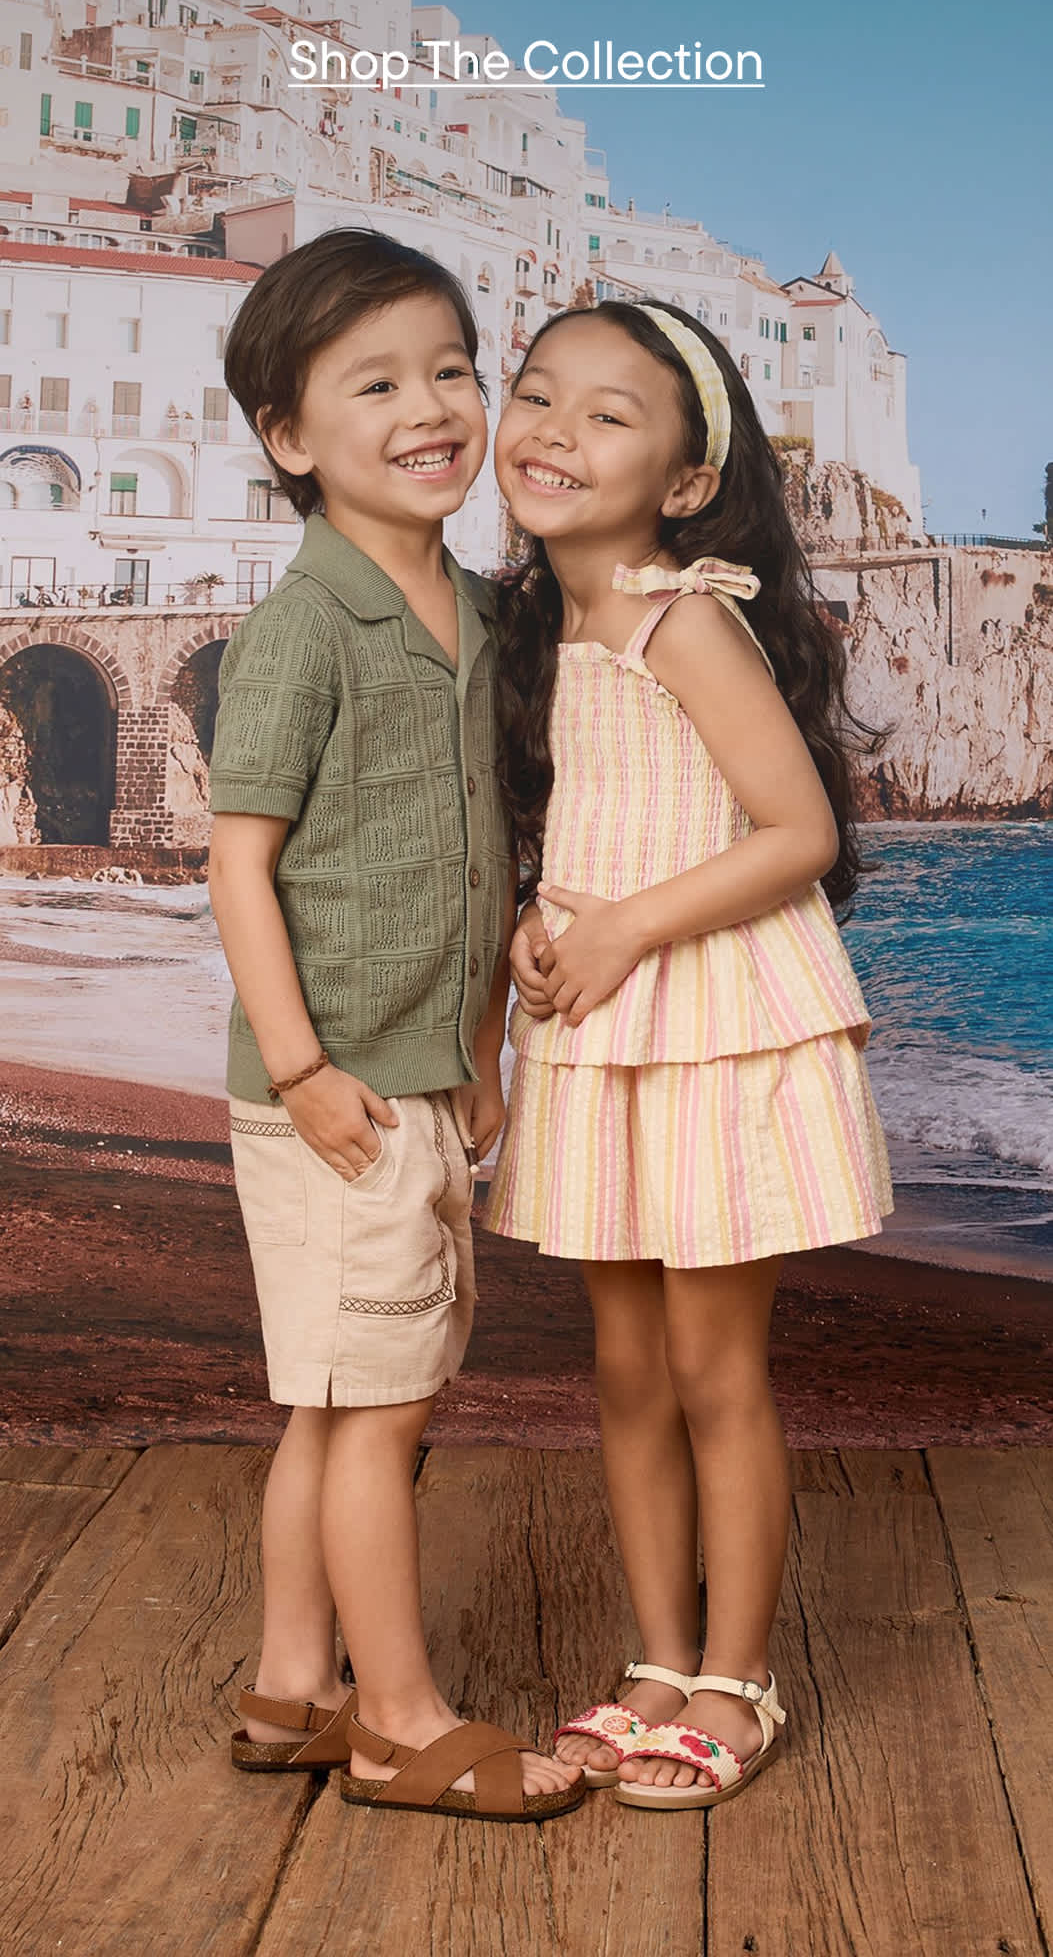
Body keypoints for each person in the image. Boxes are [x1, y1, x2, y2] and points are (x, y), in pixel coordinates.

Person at [485, 297, 892, 1812]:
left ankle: (736, 1677)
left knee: (716, 1368)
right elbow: (588, 823)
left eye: (609, 415)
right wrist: (545, 916)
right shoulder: (547, 628)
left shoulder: (684, 616)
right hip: (604, 1022)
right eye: (538, 395)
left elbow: (796, 835)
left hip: (710, 1017)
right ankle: (654, 1661)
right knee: (624, 1368)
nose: (553, 431)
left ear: (682, 479)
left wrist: (624, 928)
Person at [208, 228, 582, 1824]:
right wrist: (302, 1071)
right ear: (291, 441)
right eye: (375, 383)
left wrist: (489, 1048)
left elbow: (476, 853)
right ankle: (399, 1721)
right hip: (338, 1089)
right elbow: (240, 862)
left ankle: (291, 1688)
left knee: (339, 1392)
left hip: (423, 1073)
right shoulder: (305, 630)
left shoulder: (481, 615)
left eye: (451, 370)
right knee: (379, 1410)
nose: (431, 407)